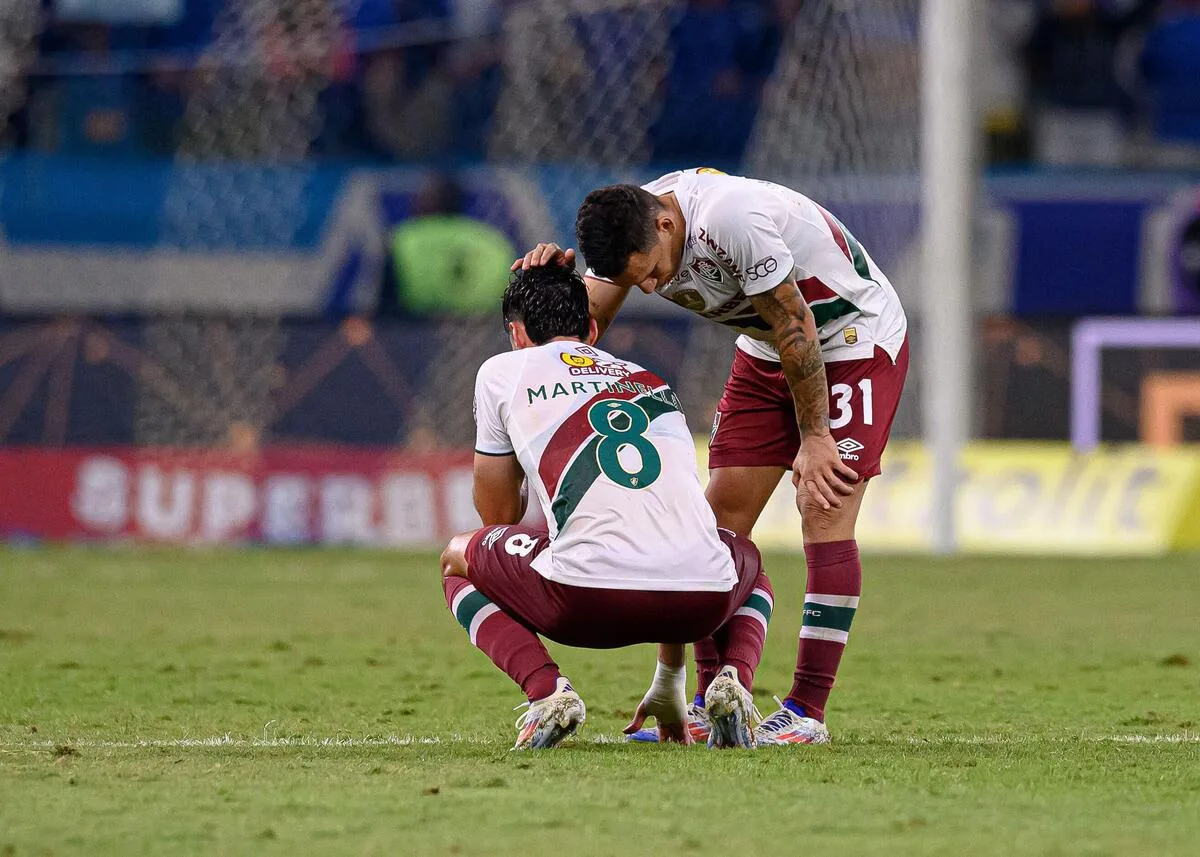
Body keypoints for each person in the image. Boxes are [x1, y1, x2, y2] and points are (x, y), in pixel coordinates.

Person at [515, 167, 909, 745]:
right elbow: (581, 331)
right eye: (634, 279)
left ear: (668, 223)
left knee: (824, 504)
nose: (649, 288)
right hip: (767, 346)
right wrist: (545, 290)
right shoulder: (634, 230)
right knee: (711, 528)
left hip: (848, 338)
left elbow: (797, 322)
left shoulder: (730, 217)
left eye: (650, 271)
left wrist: (816, 434)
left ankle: (805, 710)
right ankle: (703, 703)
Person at [440, 263, 774, 750]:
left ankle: (547, 691)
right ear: (591, 330)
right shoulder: (652, 382)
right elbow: (668, 528)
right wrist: (669, 680)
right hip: (699, 605)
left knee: (457, 557)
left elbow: (498, 518)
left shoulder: (501, 371)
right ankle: (734, 680)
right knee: (741, 558)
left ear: (515, 333)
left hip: (583, 603)